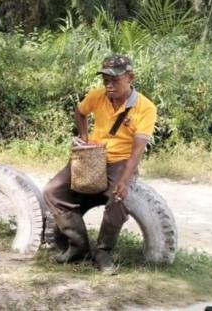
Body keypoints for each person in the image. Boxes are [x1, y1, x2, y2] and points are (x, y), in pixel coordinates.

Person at [43, 55, 156, 274]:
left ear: (130, 78)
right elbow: (80, 111)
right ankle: (79, 247)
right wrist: (84, 136)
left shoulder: (145, 108)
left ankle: (103, 252)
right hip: (93, 156)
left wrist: (124, 181)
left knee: (120, 199)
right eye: (105, 79)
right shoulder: (97, 96)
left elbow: (137, 150)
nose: (108, 84)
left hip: (121, 161)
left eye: (114, 80)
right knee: (52, 191)